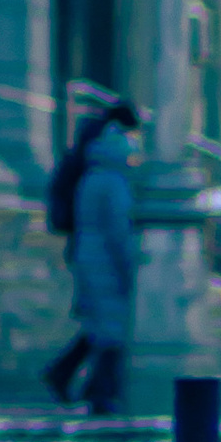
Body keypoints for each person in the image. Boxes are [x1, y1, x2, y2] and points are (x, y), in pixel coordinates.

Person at [44, 93, 140, 416]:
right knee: (113, 329)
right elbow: (118, 232)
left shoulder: (93, 172)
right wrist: (132, 268)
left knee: (101, 325)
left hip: (89, 257)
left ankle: (71, 378)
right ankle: (100, 393)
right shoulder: (112, 180)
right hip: (105, 264)